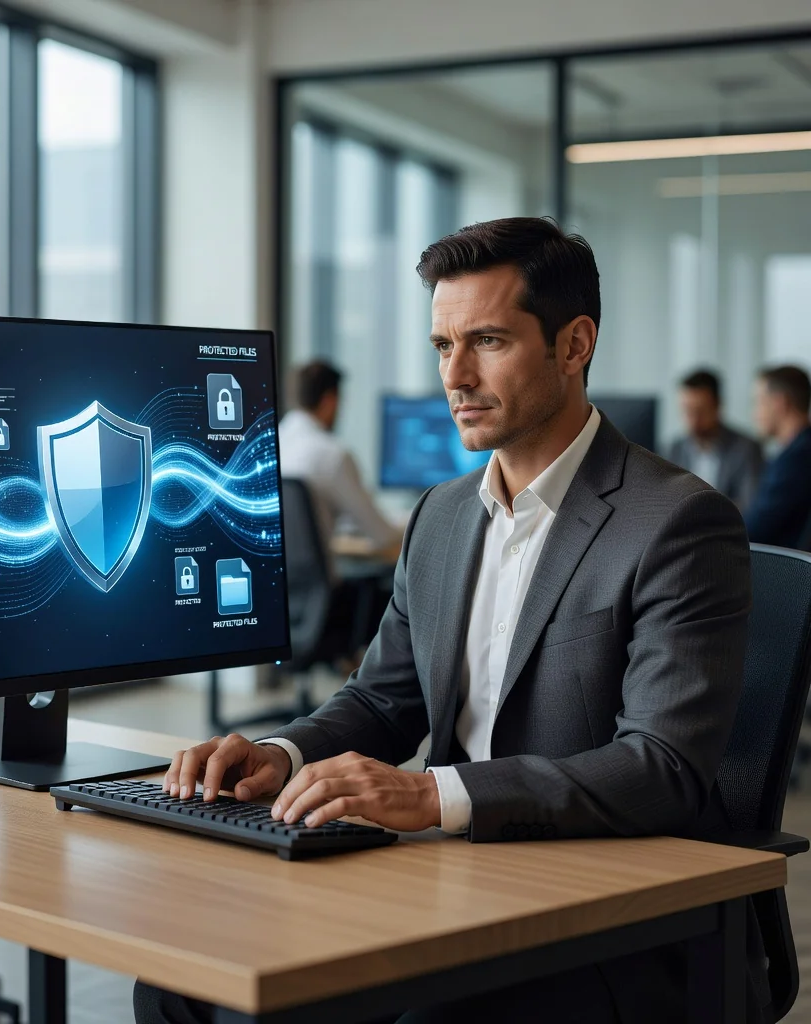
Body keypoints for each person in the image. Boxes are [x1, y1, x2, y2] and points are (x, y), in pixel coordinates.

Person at [138, 218, 757, 1024]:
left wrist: (434, 795)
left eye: (488, 341)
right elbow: (382, 701)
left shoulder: (677, 522)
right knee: (184, 986)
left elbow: (662, 766)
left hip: (597, 916)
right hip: (440, 881)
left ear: (575, 346)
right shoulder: (441, 515)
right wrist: (282, 754)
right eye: (442, 345)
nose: (455, 377)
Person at [277, 360, 403, 560]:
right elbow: (382, 535)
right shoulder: (332, 455)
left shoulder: (270, 445)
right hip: (320, 588)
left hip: (278, 581)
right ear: (329, 401)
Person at [668, 368, 762, 510]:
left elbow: (749, 506)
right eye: (687, 411)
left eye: (700, 411)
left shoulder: (746, 449)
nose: (693, 421)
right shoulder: (675, 449)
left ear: (717, 406)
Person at [745, 364, 811, 549]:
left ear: (779, 403)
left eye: (758, 402)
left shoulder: (796, 460)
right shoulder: (798, 451)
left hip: (784, 573)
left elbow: (754, 529)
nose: (754, 414)